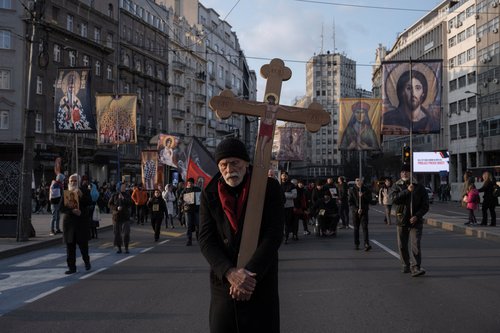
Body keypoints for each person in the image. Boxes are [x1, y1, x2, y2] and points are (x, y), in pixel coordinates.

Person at [198, 137, 284, 333]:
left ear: (246, 162)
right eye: (223, 164)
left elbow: (274, 234)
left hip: (259, 281)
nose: (229, 169)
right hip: (224, 285)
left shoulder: (269, 188)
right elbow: (205, 239)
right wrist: (230, 273)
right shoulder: (209, 193)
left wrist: (248, 276)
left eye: (235, 163)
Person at [390, 163, 429, 276]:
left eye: (407, 171)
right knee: (402, 244)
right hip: (401, 219)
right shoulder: (396, 186)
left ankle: (416, 266)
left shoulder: (419, 187)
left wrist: (417, 216)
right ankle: (405, 264)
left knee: (415, 244)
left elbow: (425, 205)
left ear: (411, 173)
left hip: (415, 220)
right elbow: (394, 199)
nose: (404, 173)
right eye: (402, 172)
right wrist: (407, 191)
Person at [382, 69, 439, 134]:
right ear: (402, 92)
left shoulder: (432, 123)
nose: (413, 93)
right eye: (409, 88)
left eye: (418, 88)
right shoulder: (388, 118)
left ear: (423, 93)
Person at [59, 174, 91, 274]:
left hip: (81, 223)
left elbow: (89, 202)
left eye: (75, 181)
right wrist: (72, 211)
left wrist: (81, 195)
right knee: (70, 247)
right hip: (69, 224)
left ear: (79, 182)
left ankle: (87, 262)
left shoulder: (84, 190)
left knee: (83, 246)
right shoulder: (66, 193)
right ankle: (71, 267)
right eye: (71, 181)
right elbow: (61, 208)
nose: (73, 182)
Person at [348, 177, 372, 251]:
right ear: (355, 182)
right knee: (356, 228)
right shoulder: (351, 190)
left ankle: (366, 244)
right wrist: (356, 209)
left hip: (364, 211)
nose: (358, 182)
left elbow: (370, 200)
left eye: (360, 180)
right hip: (355, 212)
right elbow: (350, 202)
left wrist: (363, 196)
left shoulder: (366, 189)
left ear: (362, 181)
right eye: (357, 180)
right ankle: (356, 243)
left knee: (365, 228)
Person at [108, 182, 133, 253]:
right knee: (117, 233)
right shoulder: (114, 195)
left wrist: (123, 199)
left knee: (126, 233)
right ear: (119, 187)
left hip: (125, 217)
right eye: (122, 187)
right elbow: (109, 204)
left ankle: (126, 247)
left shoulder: (127, 195)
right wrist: (116, 208)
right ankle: (119, 248)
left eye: (125, 187)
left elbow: (130, 203)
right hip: (116, 217)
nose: (124, 188)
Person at [179, 177, 201, 246]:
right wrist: (183, 202)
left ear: (193, 183)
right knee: (189, 225)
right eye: (189, 183)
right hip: (188, 210)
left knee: (197, 225)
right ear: (187, 183)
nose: (190, 184)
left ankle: (199, 239)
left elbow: (201, 197)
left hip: (196, 210)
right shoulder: (185, 190)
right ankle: (189, 240)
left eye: (191, 183)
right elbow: (180, 199)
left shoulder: (197, 189)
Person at [281, 171, 297, 243]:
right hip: (280, 206)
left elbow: (294, 195)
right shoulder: (278, 184)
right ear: (281, 176)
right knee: (280, 223)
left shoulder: (292, 185)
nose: (284, 177)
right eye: (283, 175)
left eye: (285, 175)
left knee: (287, 223)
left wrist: (284, 194)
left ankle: (286, 237)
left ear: (287, 176)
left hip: (289, 207)